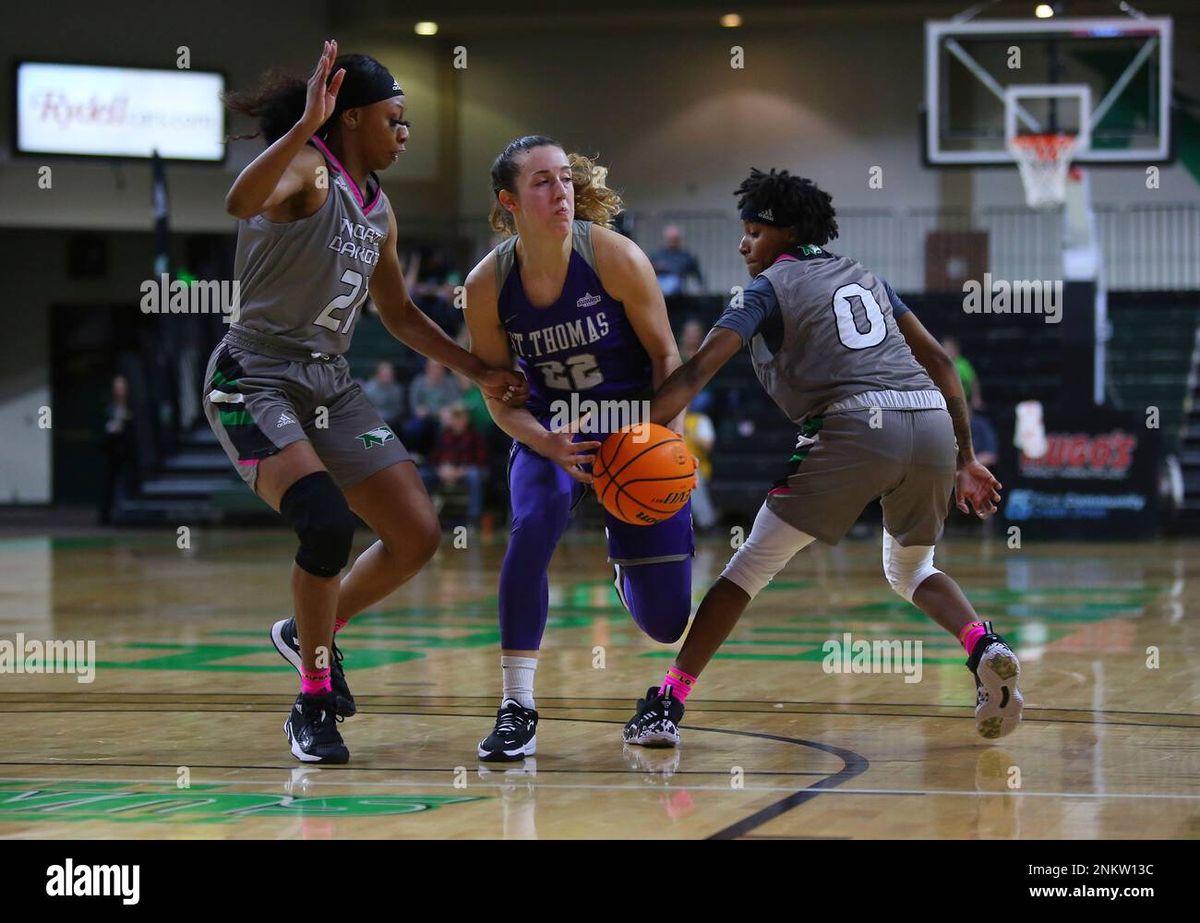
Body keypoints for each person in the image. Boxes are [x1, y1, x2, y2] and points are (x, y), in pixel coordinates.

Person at [621, 167, 1023, 748]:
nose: (742, 245)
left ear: (784, 233)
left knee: (744, 573)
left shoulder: (765, 290)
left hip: (857, 425)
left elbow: (695, 372)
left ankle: (666, 705)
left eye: (753, 232)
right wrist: (965, 457)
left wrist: (628, 435)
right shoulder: (869, 277)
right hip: (930, 421)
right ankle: (984, 645)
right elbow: (938, 361)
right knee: (910, 569)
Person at [208, 42, 527, 764]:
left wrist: (475, 368)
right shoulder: (306, 168)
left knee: (417, 534)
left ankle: (305, 630)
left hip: (330, 380)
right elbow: (238, 200)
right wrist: (302, 127)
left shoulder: (378, 210)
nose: (405, 132)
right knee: (323, 522)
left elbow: (401, 315)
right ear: (350, 120)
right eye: (395, 118)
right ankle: (314, 698)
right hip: (254, 375)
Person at [464, 135, 694, 761]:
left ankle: (625, 561)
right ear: (509, 201)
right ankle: (517, 705)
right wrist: (544, 441)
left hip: (632, 427)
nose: (560, 191)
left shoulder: (615, 256)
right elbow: (497, 392)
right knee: (533, 523)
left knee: (668, 622)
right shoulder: (487, 285)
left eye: (565, 178)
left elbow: (666, 358)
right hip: (552, 429)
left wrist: (656, 439)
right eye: (542, 182)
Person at [421, 404, 487, 524]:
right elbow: (434, 458)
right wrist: (441, 470)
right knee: (423, 475)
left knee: (474, 475)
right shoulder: (444, 436)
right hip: (444, 472)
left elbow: (480, 460)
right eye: (456, 417)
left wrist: (460, 471)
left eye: (462, 417)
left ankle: (473, 518)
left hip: (465, 472)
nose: (459, 420)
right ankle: (425, 516)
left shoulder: (475, 436)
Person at [404, 358, 462, 456]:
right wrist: (422, 410)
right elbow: (415, 406)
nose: (436, 370)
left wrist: (447, 410)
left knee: (449, 424)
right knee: (413, 427)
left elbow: (455, 402)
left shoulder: (450, 382)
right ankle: (415, 453)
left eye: (439, 367)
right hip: (424, 418)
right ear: (427, 368)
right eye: (433, 367)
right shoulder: (418, 382)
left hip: (443, 418)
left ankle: (441, 457)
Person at [649, 224, 703, 297]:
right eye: (671, 238)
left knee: (673, 281)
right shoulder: (657, 255)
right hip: (658, 287)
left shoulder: (686, 256)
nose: (673, 241)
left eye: (675, 238)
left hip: (677, 290)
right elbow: (649, 270)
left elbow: (697, 274)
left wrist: (701, 288)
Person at [361, 360, 405, 431]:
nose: (387, 377)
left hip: (393, 420)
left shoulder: (397, 388)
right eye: (384, 375)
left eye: (389, 375)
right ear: (378, 374)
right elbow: (367, 409)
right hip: (374, 421)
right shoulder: (370, 388)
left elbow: (398, 409)